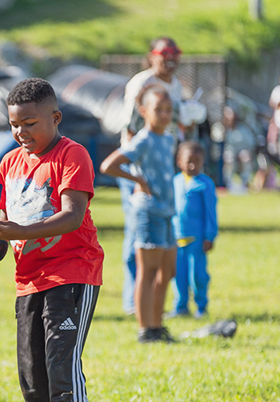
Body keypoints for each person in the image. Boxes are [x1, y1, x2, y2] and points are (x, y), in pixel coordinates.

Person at [0, 78, 104, 402]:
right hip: (27, 281)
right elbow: (1, 226)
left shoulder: (73, 155)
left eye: (30, 123)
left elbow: (72, 215)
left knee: (60, 366)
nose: (21, 133)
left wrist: (17, 232)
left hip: (72, 273)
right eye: (14, 125)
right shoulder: (9, 163)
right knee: (31, 370)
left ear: (55, 118)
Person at [101, 85, 177, 343]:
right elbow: (109, 165)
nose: (165, 115)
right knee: (148, 271)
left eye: (169, 110)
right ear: (144, 111)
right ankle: (145, 329)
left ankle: (157, 325)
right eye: (159, 110)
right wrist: (137, 179)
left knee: (167, 271)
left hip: (168, 212)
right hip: (148, 212)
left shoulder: (168, 139)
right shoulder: (142, 139)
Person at [119, 36, 184, 315]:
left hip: (162, 169)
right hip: (137, 168)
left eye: (175, 53)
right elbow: (132, 128)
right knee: (137, 236)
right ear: (151, 56)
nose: (170, 58)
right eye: (164, 53)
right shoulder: (140, 83)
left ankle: (152, 307)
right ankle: (134, 300)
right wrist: (138, 176)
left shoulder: (176, 85)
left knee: (163, 245)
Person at [171, 141, 217, 318]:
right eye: (189, 161)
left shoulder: (205, 184)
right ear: (179, 161)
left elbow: (210, 213)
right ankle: (180, 306)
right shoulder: (175, 182)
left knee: (198, 276)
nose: (192, 165)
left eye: (197, 161)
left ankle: (201, 306)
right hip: (176, 237)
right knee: (178, 275)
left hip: (197, 239)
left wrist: (210, 235)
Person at [221, 106, 257, 193]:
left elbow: (251, 143)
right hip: (229, 152)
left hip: (242, 151)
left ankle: (245, 182)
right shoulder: (223, 129)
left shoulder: (243, 128)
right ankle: (228, 182)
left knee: (245, 157)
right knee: (228, 158)